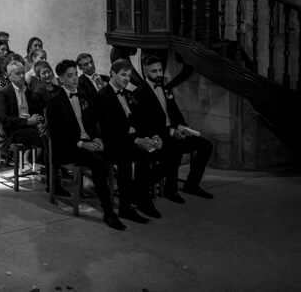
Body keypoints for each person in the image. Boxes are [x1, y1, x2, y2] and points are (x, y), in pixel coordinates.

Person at [45, 59, 131, 231]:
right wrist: (81, 144)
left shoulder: (84, 95)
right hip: (69, 147)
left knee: (123, 155)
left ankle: (125, 207)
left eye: (76, 74)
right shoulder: (55, 101)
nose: (74, 78)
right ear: (61, 79)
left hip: (88, 141)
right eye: (70, 76)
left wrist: (97, 138)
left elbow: (93, 122)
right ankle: (108, 213)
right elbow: (57, 134)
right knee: (97, 161)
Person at [139, 55, 214, 200]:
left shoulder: (165, 87)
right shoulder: (141, 92)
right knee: (176, 149)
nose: (159, 74)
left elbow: (174, 111)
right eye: (154, 71)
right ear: (145, 71)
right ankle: (169, 190)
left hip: (174, 130)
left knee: (206, 146)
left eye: (160, 70)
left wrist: (184, 127)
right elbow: (148, 124)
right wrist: (172, 132)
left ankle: (192, 185)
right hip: (158, 135)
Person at [96, 59, 163, 220]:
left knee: (147, 154)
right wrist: (135, 140)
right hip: (111, 141)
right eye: (123, 75)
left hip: (129, 139)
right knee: (125, 157)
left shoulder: (129, 94)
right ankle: (124, 208)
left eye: (128, 75)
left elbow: (140, 120)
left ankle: (143, 200)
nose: (126, 79)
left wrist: (152, 135)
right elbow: (109, 128)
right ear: (113, 74)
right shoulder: (102, 96)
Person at [0, 59, 44, 154]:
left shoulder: (28, 91)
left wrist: (39, 123)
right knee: (36, 136)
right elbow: (3, 119)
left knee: (47, 133)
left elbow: (36, 111)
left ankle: (33, 160)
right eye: (18, 74)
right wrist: (27, 121)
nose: (22, 76)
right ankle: (28, 160)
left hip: (30, 126)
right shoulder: (3, 93)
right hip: (12, 130)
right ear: (10, 76)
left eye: (23, 73)